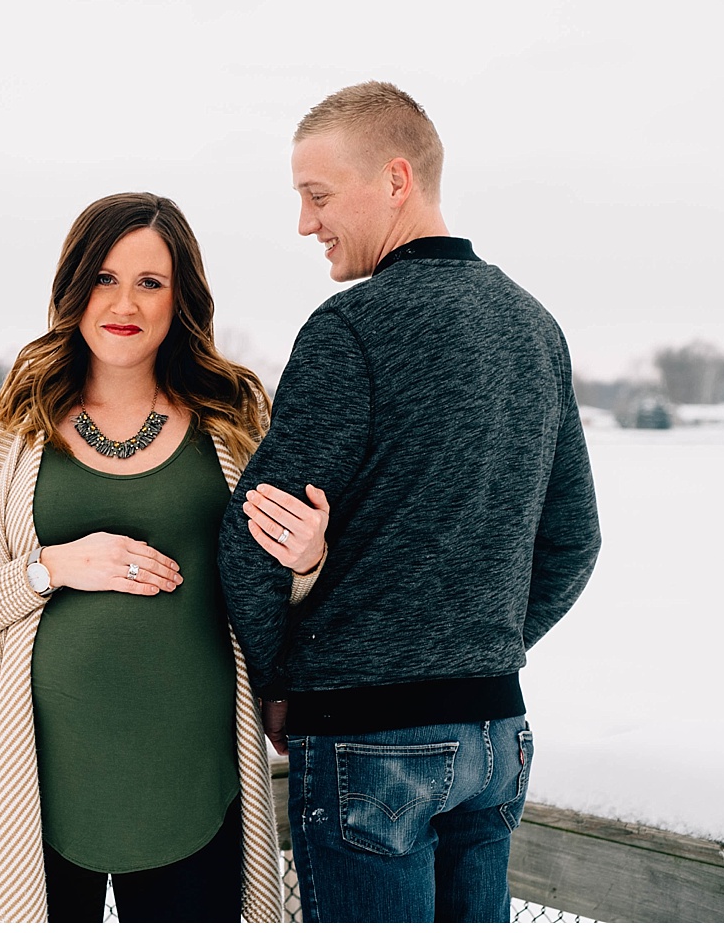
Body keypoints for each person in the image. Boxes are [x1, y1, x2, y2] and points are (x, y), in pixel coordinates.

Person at [218, 81, 602, 923]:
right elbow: (574, 541)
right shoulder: (534, 325)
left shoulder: (352, 328)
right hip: (495, 735)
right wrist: (481, 647)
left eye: (318, 195)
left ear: (396, 179)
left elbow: (251, 538)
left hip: (366, 739)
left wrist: (279, 680)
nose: (305, 223)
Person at [0, 192, 326, 923]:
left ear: (180, 298)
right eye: (103, 277)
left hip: (194, 780)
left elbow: (275, 595)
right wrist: (51, 568)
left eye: (149, 282)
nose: (123, 303)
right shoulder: (3, 426)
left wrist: (308, 562)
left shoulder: (234, 421)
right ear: (74, 287)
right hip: (41, 791)